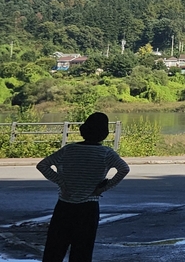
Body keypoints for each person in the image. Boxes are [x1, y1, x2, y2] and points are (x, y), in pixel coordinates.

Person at [36, 112, 130, 262]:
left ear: (84, 130)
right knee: (82, 252)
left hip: (64, 205)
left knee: (54, 250)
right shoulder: (106, 153)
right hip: (89, 207)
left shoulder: (68, 150)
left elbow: (43, 165)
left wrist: (61, 182)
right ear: (104, 133)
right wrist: (102, 188)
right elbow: (124, 169)